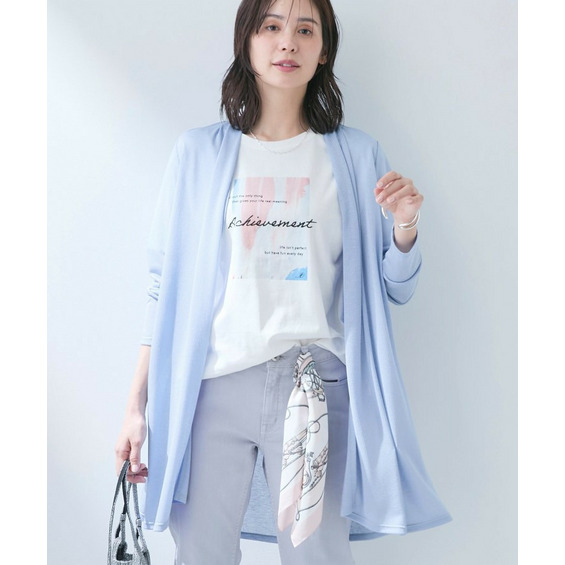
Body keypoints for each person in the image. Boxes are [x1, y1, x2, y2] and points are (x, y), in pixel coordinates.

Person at [114, 0, 452, 563]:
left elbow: (396, 287)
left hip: (316, 387)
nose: (287, 42)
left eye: (305, 29)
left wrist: (405, 226)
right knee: (201, 555)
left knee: (318, 556)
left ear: (324, 51)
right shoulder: (198, 154)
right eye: (271, 27)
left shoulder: (357, 156)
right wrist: (135, 406)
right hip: (213, 389)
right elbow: (162, 286)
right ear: (247, 42)